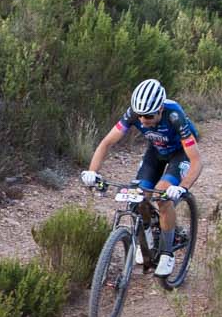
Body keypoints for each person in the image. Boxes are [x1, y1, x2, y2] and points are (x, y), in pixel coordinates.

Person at [80, 78, 199, 274]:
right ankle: (148, 239)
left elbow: (196, 161)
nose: (143, 121)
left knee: (162, 196)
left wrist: (182, 187)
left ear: (160, 109)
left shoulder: (175, 116)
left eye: (149, 116)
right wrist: (93, 172)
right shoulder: (134, 113)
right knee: (137, 196)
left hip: (180, 153)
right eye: (140, 116)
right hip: (156, 152)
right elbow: (107, 143)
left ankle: (167, 253)